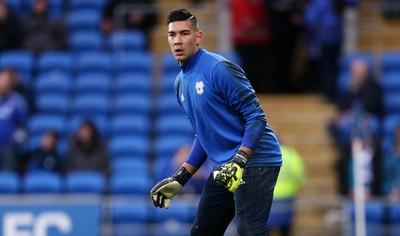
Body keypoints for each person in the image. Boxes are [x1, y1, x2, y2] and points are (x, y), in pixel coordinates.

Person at [150, 9, 282, 236]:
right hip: (227, 166)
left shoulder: (218, 68)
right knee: (203, 231)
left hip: (256, 160)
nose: (178, 41)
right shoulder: (180, 84)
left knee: (250, 229)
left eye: (184, 33)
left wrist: (240, 160)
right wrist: (181, 177)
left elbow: (256, 116)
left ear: (198, 37)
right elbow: (204, 134)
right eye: (172, 35)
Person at [269, 144, 306, 236]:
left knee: (265, 229)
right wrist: (293, 188)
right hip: (286, 198)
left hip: (267, 199)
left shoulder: (264, 154)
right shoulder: (290, 154)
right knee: (285, 229)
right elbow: (299, 174)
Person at [0, 69, 28, 171]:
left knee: (7, 179)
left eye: (5, 80)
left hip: (9, 148)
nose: (2, 83)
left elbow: (23, 125)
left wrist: (16, 139)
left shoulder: (17, 101)